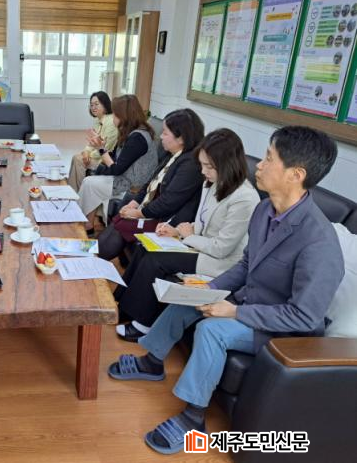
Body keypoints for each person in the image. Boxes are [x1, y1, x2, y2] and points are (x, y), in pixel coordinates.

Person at [107, 126, 344, 455]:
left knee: (213, 330)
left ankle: (193, 418)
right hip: (249, 302)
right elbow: (246, 266)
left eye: (269, 159)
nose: (259, 165)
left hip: (282, 329)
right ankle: (152, 361)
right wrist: (208, 289)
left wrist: (235, 311)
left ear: (296, 174)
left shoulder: (319, 242)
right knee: (186, 298)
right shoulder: (265, 210)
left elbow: (303, 316)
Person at [114, 128, 260, 340]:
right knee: (145, 247)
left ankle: (143, 324)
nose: (203, 171)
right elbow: (203, 223)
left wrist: (187, 236)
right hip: (201, 246)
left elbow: (221, 249)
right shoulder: (212, 183)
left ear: (228, 164)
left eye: (209, 166)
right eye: (202, 164)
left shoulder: (245, 198)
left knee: (157, 261)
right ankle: (123, 306)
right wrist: (176, 231)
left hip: (220, 261)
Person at [98, 108, 205, 261]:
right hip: (154, 212)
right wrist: (134, 204)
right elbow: (150, 183)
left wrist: (139, 213)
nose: (161, 137)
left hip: (167, 222)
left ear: (181, 138)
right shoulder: (173, 155)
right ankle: (93, 260)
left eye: (165, 133)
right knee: (120, 220)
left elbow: (169, 202)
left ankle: (93, 263)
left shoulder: (190, 165)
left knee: (122, 225)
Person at [77, 95, 158, 235]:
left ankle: (82, 224)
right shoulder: (130, 132)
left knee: (89, 183)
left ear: (123, 116)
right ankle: (87, 225)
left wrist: (101, 149)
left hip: (132, 185)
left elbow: (117, 169)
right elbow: (114, 157)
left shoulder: (137, 138)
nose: (112, 117)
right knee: (89, 182)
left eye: (115, 114)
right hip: (125, 178)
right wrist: (101, 148)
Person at [68, 91, 119, 191]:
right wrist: (86, 152)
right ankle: (72, 191)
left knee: (78, 160)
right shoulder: (98, 120)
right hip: (98, 155)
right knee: (77, 157)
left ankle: (80, 193)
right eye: (91, 105)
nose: (93, 107)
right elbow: (92, 143)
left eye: (96, 104)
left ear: (105, 105)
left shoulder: (111, 122)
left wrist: (89, 155)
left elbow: (106, 147)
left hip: (105, 160)